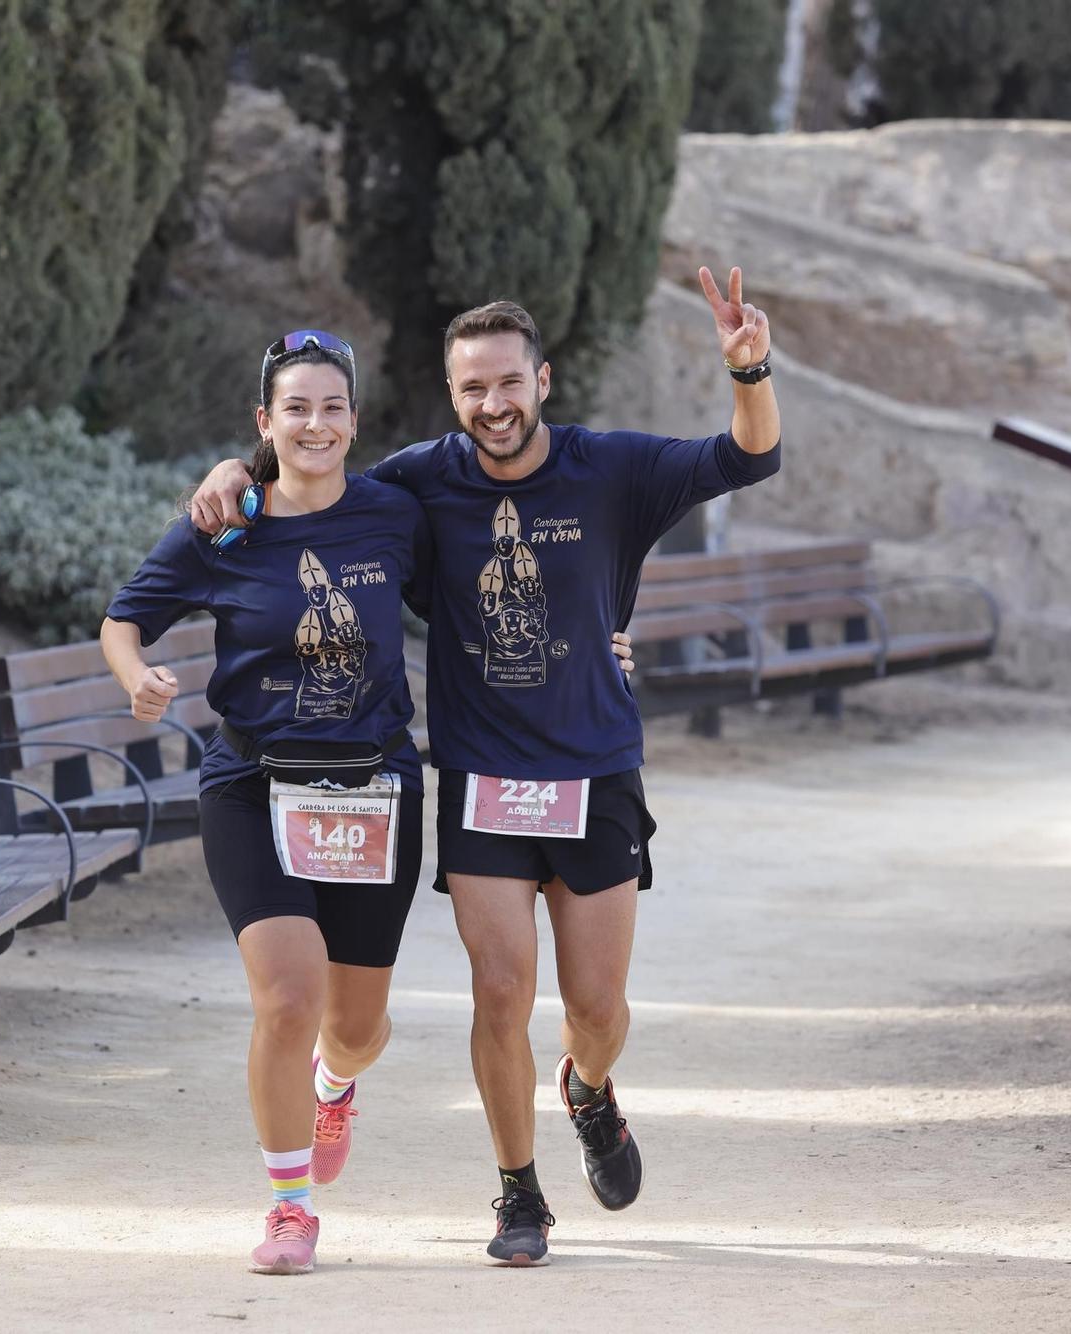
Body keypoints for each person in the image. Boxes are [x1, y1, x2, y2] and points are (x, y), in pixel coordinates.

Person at [188, 268, 782, 1266]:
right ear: (451, 394)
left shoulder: (610, 470)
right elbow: (310, 483)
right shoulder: (423, 479)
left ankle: (587, 1086)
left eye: (508, 383)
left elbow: (747, 456)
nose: (492, 405)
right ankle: (517, 1192)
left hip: (595, 772)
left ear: (541, 379)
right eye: (472, 389)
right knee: (499, 989)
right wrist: (229, 470)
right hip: (479, 777)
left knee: (594, 1008)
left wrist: (747, 367)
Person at [102, 329, 640, 1275]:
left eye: (333, 407)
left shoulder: (396, 513)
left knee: (351, 1026)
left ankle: (336, 1083)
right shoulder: (226, 523)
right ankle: (288, 1207)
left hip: (372, 791)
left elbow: (492, 586)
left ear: (355, 421)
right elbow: (124, 619)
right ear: (265, 422)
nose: (316, 424)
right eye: (295, 409)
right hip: (253, 784)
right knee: (288, 996)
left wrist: (595, 645)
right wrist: (137, 674)